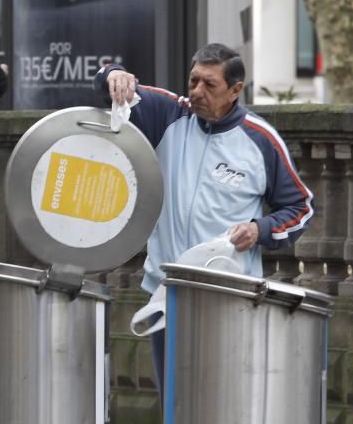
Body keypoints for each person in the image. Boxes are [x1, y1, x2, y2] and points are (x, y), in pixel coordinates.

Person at [94, 43, 315, 400]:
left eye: (209, 85)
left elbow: (301, 208)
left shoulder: (261, 140)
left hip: (229, 296)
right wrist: (114, 75)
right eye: (193, 80)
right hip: (166, 294)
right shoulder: (169, 114)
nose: (196, 92)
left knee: (224, 406)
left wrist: (260, 230)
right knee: (175, 406)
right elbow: (108, 79)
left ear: (235, 90)